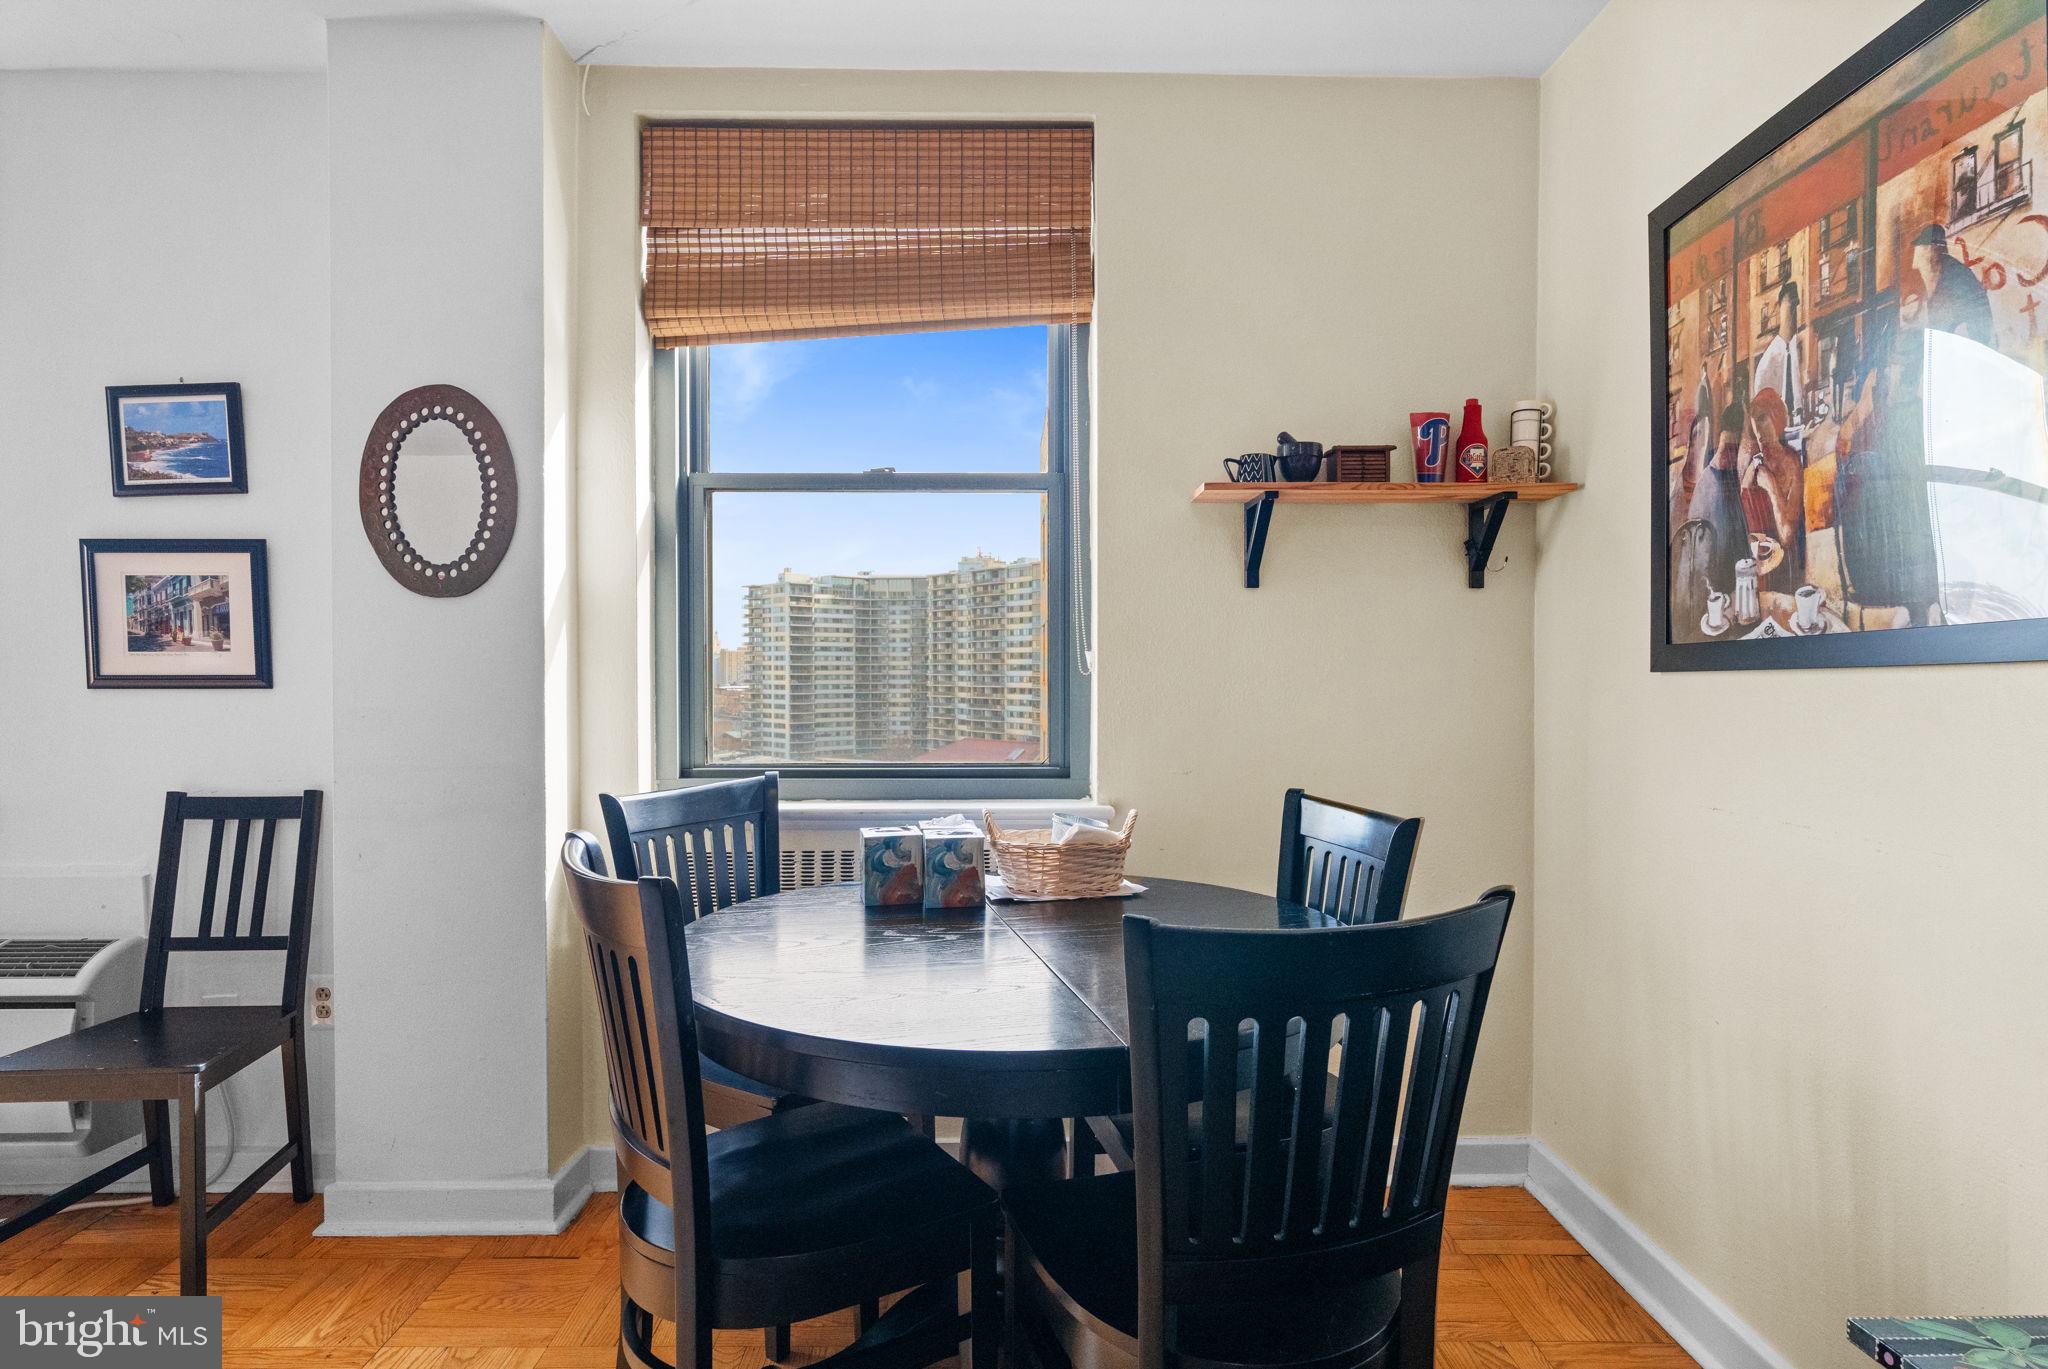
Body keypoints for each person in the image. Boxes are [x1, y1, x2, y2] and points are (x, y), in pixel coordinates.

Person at [1910, 222, 1995, 345]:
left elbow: (1971, 322)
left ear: (1933, 249)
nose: (1916, 265)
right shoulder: (1940, 272)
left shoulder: (1955, 276)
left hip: (1967, 346)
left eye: (1923, 249)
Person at [1751, 280, 1807, 454]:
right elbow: (1759, 414)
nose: (1794, 314)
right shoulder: (1768, 362)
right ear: (1781, 308)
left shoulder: (1794, 350)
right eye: (1790, 306)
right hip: (1777, 437)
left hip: (1797, 430)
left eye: (1796, 307)